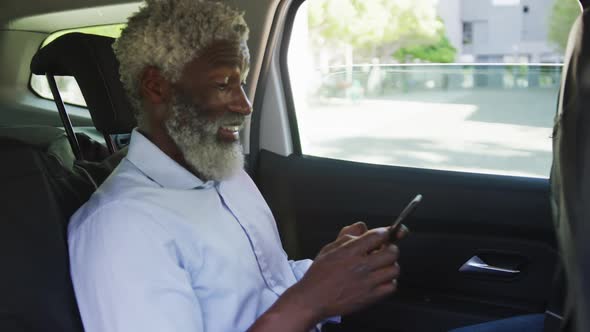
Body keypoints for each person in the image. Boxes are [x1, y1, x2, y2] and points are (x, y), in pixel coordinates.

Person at [67, 1, 407, 331]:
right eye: (222, 85)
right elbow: (296, 305)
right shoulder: (121, 227)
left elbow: (266, 286)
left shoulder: (227, 173)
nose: (245, 106)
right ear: (157, 87)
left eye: (240, 83)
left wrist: (327, 269)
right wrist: (310, 301)